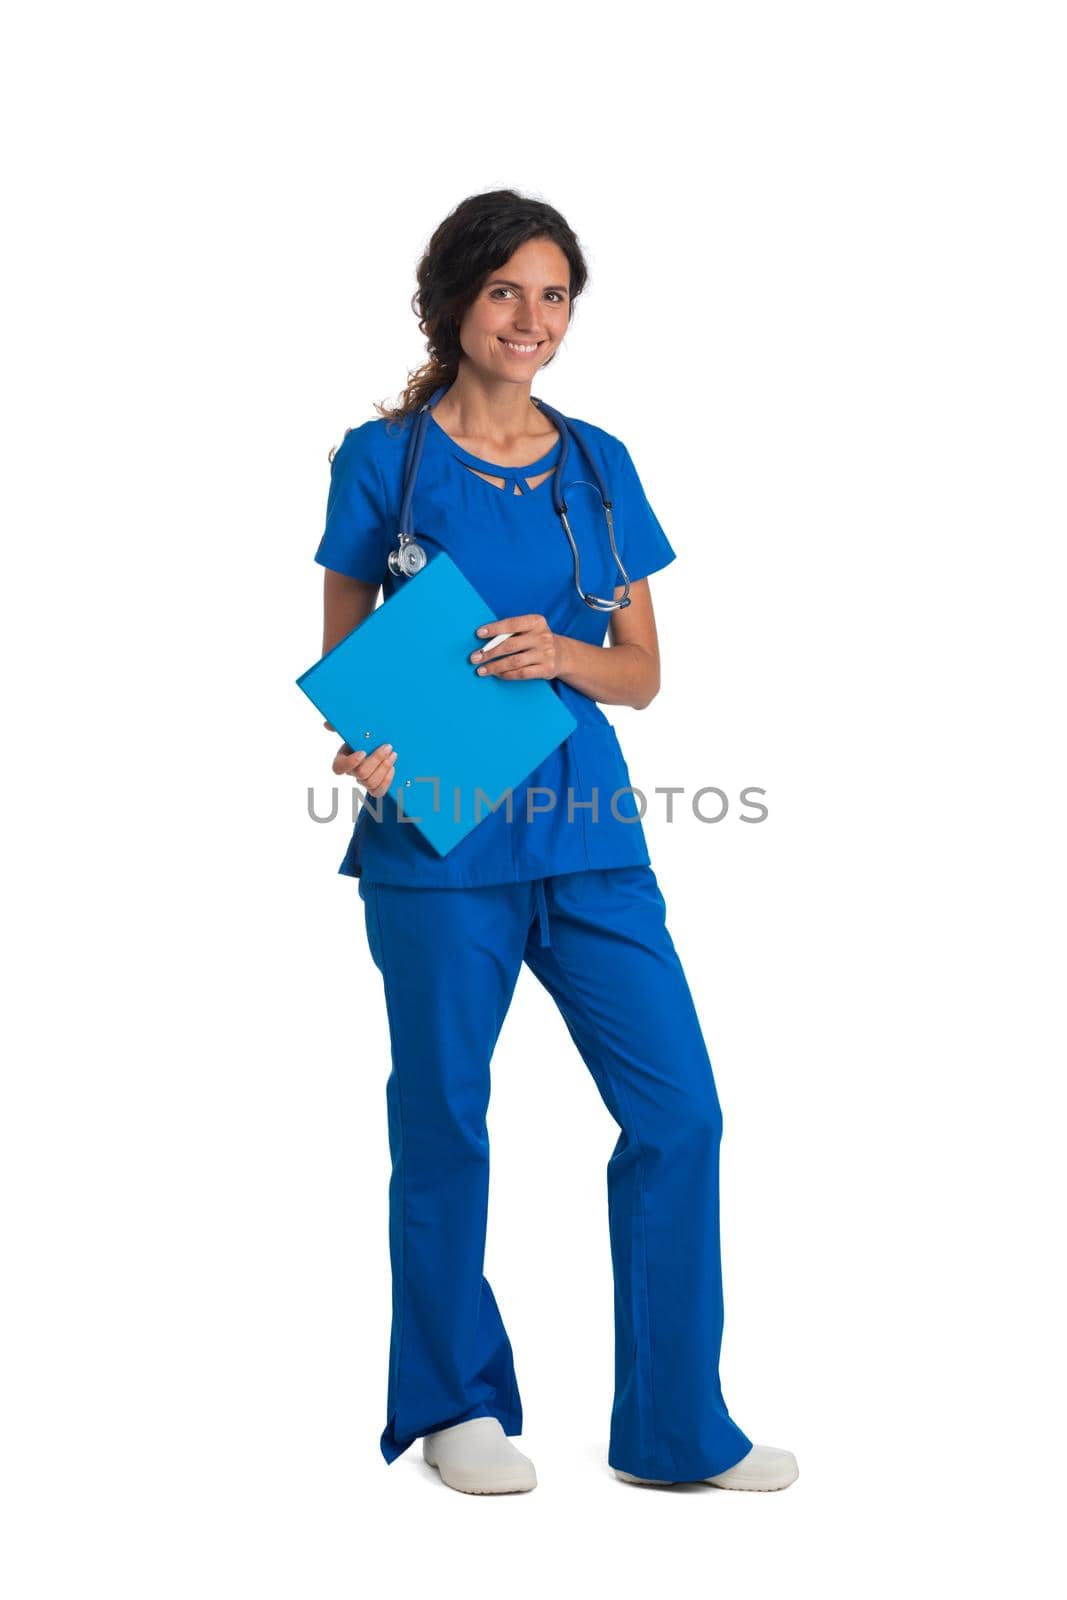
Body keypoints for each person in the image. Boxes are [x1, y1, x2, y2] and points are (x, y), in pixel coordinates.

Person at [313, 189, 798, 1496]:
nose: (533, 320)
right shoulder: (383, 464)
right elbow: (348, 666)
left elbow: (640, 675)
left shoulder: (598, 463)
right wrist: (363, 745)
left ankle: (675, 1431)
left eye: (556, 295)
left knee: (679, 1113)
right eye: (507, 292)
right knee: (447, 1121)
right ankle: (452, 1406)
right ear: (456, 303)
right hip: (436, 840)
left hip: (588, 827)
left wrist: (562, 652)